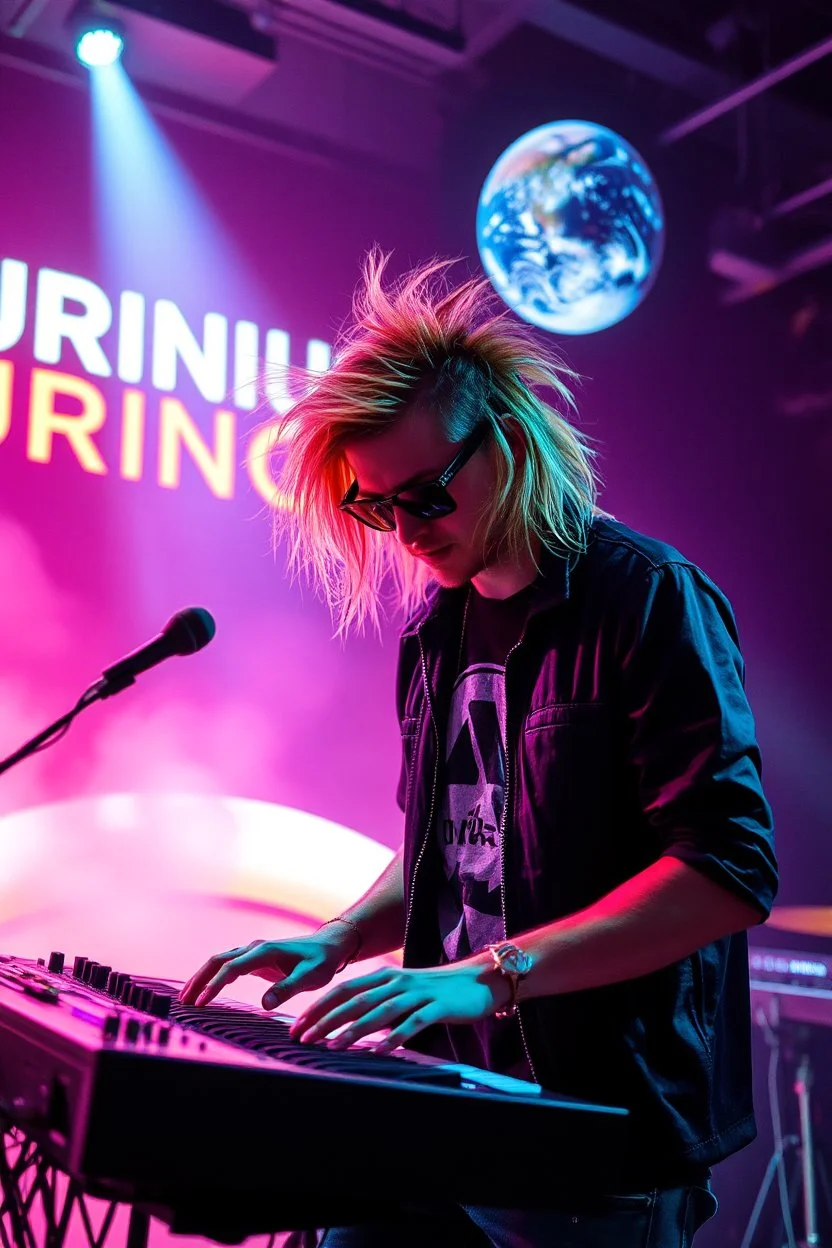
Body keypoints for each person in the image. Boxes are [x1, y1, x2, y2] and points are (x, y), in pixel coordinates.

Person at [181, 251, 778, 1246]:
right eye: (377, 506)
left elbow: (727, 873)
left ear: (506, 439)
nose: (405, 530)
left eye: (425, 495)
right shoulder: (436, 631)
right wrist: (340, 936)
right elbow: (453, 848)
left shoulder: (647, 599)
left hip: (596, 1138)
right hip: (442, 1106)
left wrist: (494, 972)